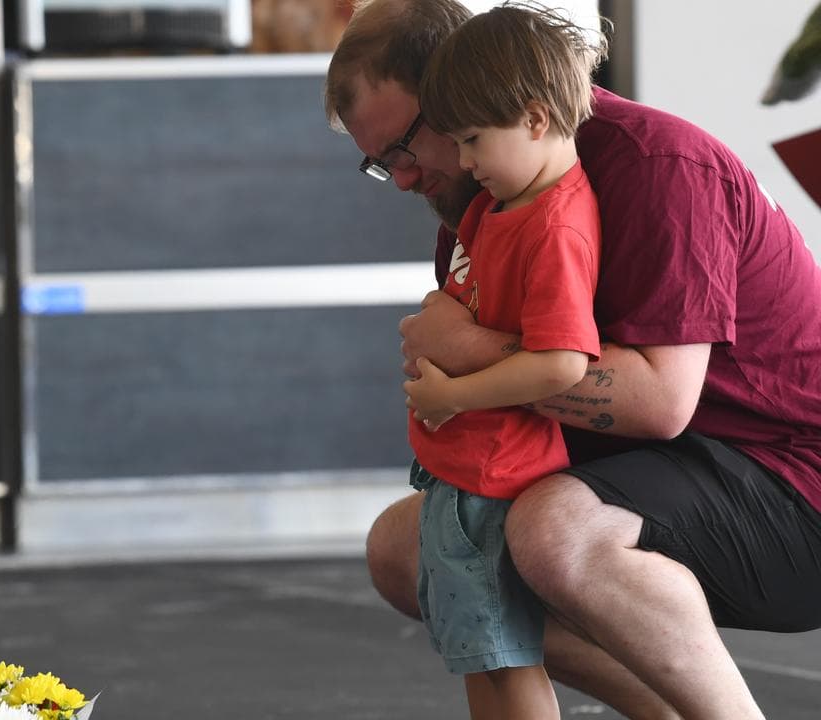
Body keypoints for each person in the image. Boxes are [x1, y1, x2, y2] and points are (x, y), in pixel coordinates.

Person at [324, 1, 821, 718]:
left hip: (794, 484)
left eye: (405, 148)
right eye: (379, 165)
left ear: (465, 89)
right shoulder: (480, 209)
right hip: (675, 467)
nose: (403, 179)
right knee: (418, 546)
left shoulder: (656, 166)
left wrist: (467, 355)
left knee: (555, 530)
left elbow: (658, 404)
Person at [399, 5, 604, 719]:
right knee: (481, 660)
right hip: (464, 474)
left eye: (474, 140)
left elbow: (561, 365)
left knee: (505, 665)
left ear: (537, 118)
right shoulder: (507, 203)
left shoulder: (554, 229)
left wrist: (456, 395)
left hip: (490, 481)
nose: (463, 163)